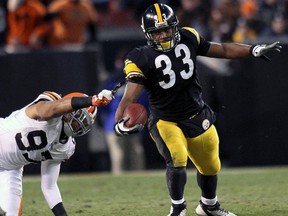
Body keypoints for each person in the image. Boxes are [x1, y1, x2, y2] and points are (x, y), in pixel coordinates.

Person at [114, 3, 281, 216]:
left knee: (211, 165)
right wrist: (119, 124)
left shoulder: (188, 36)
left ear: (175, 27)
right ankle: (177, 209)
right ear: (147, 34)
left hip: (196, 112)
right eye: (157, 32)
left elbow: (223, 49)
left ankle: (209, 206)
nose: (164, 35)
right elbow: (130, 96)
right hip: (166, 119)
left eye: (167, 29)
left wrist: (252, 49)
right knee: (177, 159)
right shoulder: (140, 57)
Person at [0, 89, 113, 216]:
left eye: (85, 122)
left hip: (11, 169)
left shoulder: (65, 147)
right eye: (78, 118)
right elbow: (51, 110)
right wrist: (91, 100)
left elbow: (49, 187)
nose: (79, 124)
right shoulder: (48, 104)